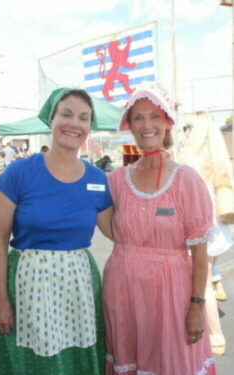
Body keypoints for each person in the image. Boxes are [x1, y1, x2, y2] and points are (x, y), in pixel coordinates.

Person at [0, 87, 113, 375]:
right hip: (30, 283)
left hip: (80, 285)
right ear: (51, 119)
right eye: (66, 114)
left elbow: (118, 232)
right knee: (35, 363)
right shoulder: (19, 172)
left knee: (78, 359)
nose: (74, 123)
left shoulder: (97, 179)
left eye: (83, 117)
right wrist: (0, 301)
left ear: (89, 127)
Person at [102, 83, 217, 375]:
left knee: (172, 363)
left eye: (154, 116)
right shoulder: (116, 180)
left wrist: (196, 306)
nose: (146, 125)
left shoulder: (186, 179)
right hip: (123, 291)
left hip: (171, 294)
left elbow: (200, 255)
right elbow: (109, 229)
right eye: (138, 117)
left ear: (167, 122)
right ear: (129, 125)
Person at [179, 111, 234, 355]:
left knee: (201, 285)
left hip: (198, 227)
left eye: (189, 127)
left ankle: (215, 334)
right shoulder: (220, 158)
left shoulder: (188, 162)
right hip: (217, 225)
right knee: (209, 274)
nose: (186, 131)